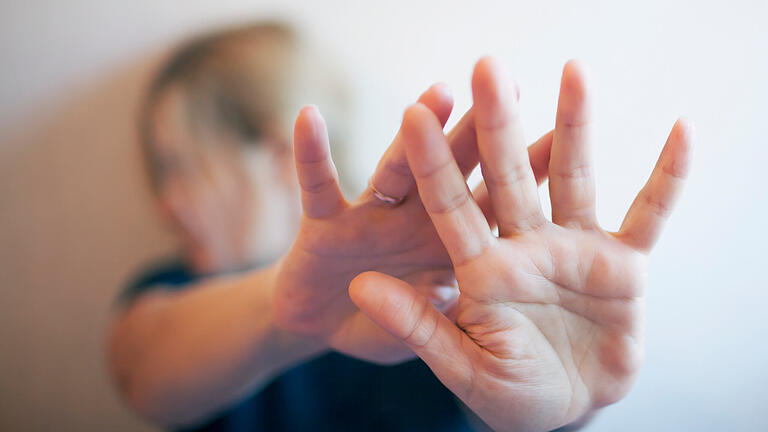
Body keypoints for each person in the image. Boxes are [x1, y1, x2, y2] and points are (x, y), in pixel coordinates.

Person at [108, 22, 692, 432]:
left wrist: (566, 401)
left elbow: (507, 407)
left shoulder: (449, 293)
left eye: (178, 169)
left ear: (276, 155)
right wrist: (291, 313)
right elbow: (139, 371)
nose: (165, 206)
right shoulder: (174, 289)